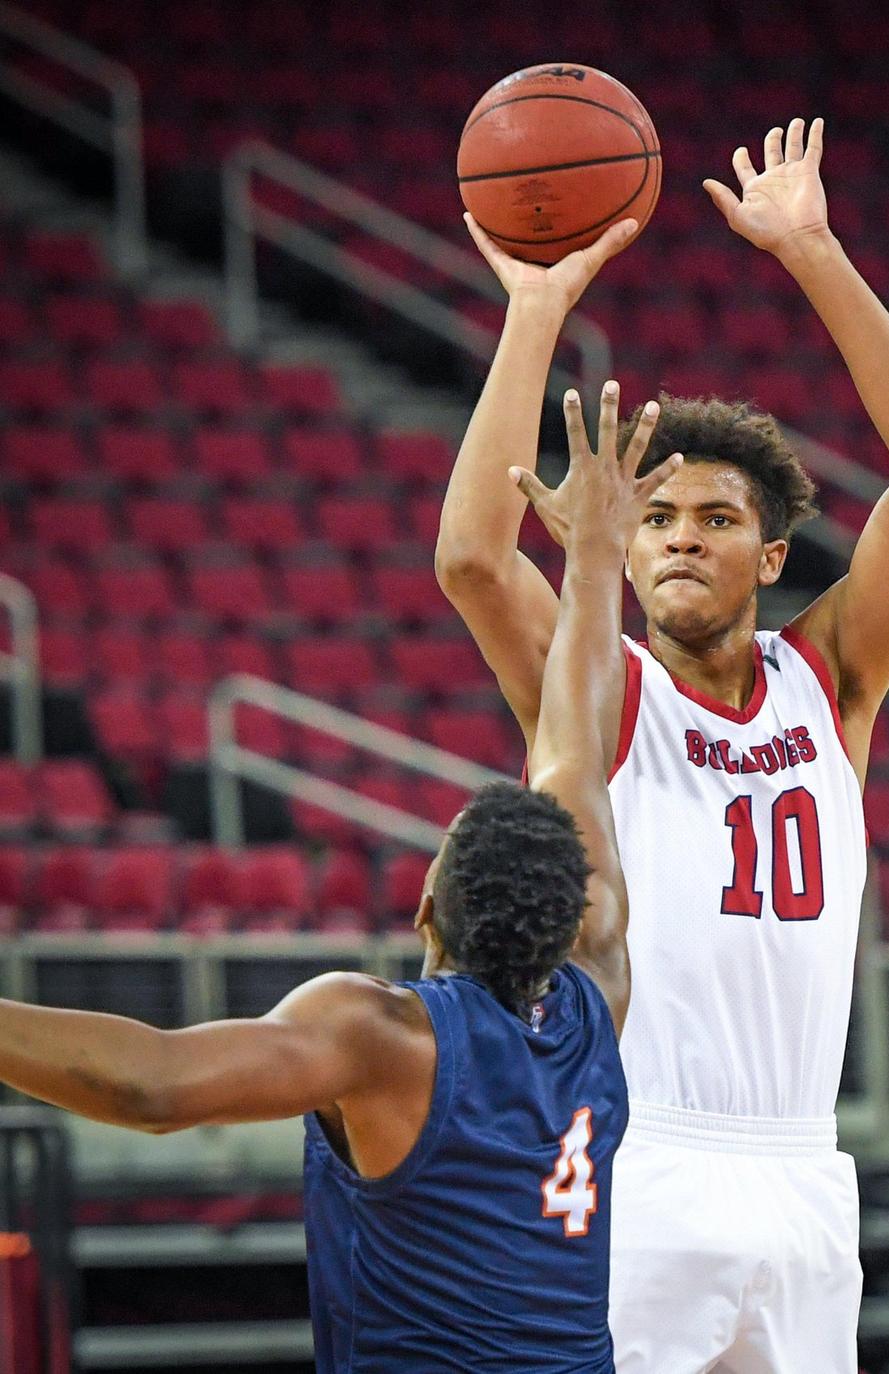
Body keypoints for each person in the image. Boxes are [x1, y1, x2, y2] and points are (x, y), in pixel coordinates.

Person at [437, 116, 889, 1372]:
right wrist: (535, 307)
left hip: (803, 1167)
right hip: (642, 1154)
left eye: (717, 517)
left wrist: (814, 251)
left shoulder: (830, 678)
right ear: (623, 547)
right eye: (659, 515)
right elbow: (471, 557)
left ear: (772, 555)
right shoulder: (599, 691)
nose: (682, 536)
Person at [0, 391, 678, 1371]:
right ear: (572, 915)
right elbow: (574, 747)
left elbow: (153, 1084)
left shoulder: (380, 1036)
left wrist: (595, 556)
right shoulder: (598, 990)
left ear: (423, 906)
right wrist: (597, 561)